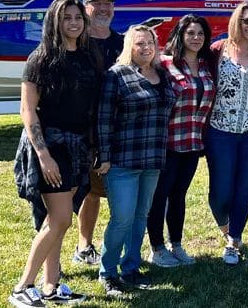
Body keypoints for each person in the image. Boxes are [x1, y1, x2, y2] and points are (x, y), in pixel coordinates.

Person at [10, 0, 100, 307]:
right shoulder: (41, 59)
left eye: (78, 17)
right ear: (55, 22)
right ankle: (23, 286)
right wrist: (43, 154)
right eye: (67, 18)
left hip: (78, 147)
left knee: (58, 218)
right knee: (60, 220)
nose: (73, 23)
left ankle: (51, 285)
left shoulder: (89, 57)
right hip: (49, 146)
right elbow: (27, 110)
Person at [95, 25, 177, 296]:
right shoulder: (116, 76)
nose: (146, 48)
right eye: (139, 43)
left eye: (150, 43)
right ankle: (108, 272)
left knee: (141, 216)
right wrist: (103, 156)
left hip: (152, 160)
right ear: (129, 46)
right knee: (122, 218)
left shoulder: (163, 75)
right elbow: (103, 119)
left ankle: (130, 267)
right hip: (122, 161)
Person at [204, 1, 248, 265]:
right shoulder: (218, 51)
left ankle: (234, 240)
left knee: (244, 188)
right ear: (236, 21)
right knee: (220, 191)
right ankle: (224, 226)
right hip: (221, 131)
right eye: (246, 20)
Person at [145, 15, 216, 268]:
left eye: (200, 33)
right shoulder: (165, 64)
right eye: (191, 33)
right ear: (180, 35)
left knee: (179, 195)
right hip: (167, 142)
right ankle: (156, 247)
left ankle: (176, 244)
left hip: (193, 142)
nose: (196, 38)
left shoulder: (206, 66)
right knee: (159, 196)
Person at [73, 0, 125, 267]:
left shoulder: (122, 42)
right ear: (86, 8)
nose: (104, 9)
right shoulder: (78, 42)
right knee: (91, 191)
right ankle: (84, 244)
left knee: (122, 190)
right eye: (97, 4)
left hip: (121, 127)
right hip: (88, 129)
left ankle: (121, 246)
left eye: (108, 4)